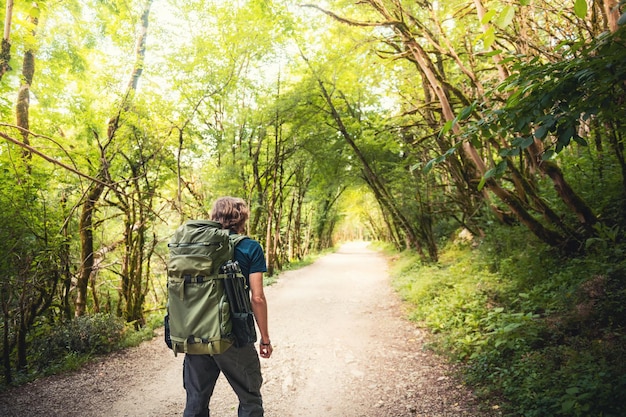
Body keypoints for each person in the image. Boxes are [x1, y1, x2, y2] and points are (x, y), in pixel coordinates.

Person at [183, 196, 273, 417]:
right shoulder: (250, 247)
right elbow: (258, 298)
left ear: (214, 217)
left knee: (196, 401)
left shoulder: (194, 246)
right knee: (249, 397)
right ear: (242, 218)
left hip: (194, 332)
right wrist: (265, 338)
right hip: (232, 334)